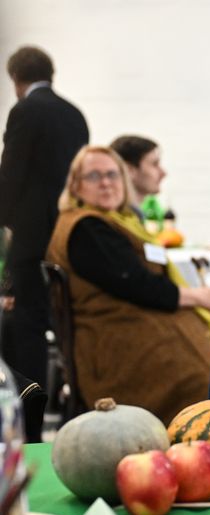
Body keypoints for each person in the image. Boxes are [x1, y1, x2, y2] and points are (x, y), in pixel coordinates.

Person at [45, 146, 210, 424]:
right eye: (94, 176)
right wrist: (200, 297)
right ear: (76, 186)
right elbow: (138, 285)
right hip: (117, 353)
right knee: (204, 378)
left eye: (112, 175)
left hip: (133, 339)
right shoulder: (85, 228)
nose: (105, 182)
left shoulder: (114, 221)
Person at [0, 46, 88, 388]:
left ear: (16, 78)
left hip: (32, 237)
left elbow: (12, 175)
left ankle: (32, 405)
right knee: (63, 322)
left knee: (27, 325)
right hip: (68, 237)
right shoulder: (75, 114)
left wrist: (5, 223)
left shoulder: (25, 110)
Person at [109, 135, 167, 222]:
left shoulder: (138, 216)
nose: (163, 173)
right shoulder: (119, 221)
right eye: (154, 164)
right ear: (128, 170)